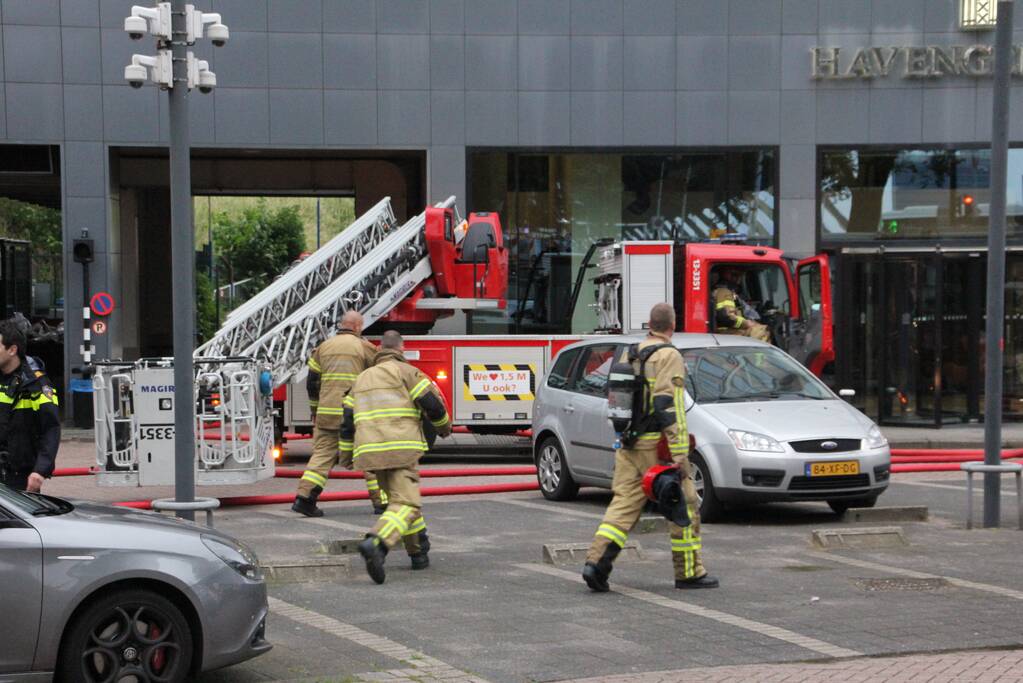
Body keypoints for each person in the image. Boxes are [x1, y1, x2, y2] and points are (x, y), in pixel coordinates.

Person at [583, 303, 718, 592]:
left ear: (649, 324)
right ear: (672, 325)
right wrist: (680, 453)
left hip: (628, 444)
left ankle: (596, 565)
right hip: (656, 448)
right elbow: (668, 405)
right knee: (686, 505)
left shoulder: (632, 352)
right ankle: (689, 572)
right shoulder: (668, 355)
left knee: (623, 506)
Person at [341, 330, 451, 584]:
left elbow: (347, 423)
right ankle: (377, 543)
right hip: (400, 448)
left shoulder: (361, 379)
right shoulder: (407, 372)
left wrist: (346, 455)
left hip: (370, 453)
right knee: (408, 504)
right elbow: (432, 405)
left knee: (397, 503)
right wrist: (444, 428)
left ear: (379, 350)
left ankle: (418, 553)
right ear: (401, 349)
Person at [292, 310, 386, 517]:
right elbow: (380, 374)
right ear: (358, 327)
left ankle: (305, 499)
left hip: (327, 413)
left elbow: (312, 383)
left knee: (322, 456)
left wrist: (315, 410)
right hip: (356, 413)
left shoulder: (323, 348)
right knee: (370, 454)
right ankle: (381, 503)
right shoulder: (365, 347)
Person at [0, 320, 60, 492]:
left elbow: (51, 429)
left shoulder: (37, 384)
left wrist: (40, 470)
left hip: (20, 477)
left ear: (12, 350)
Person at [712, 267, 771, 343]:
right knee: (762, 331)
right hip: (726, 332)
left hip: (728, 331)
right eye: (734, 275)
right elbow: (726, 317)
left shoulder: (728, 292)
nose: (736, 279)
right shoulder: (724, 291)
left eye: (738, 276)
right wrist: (747, 323)